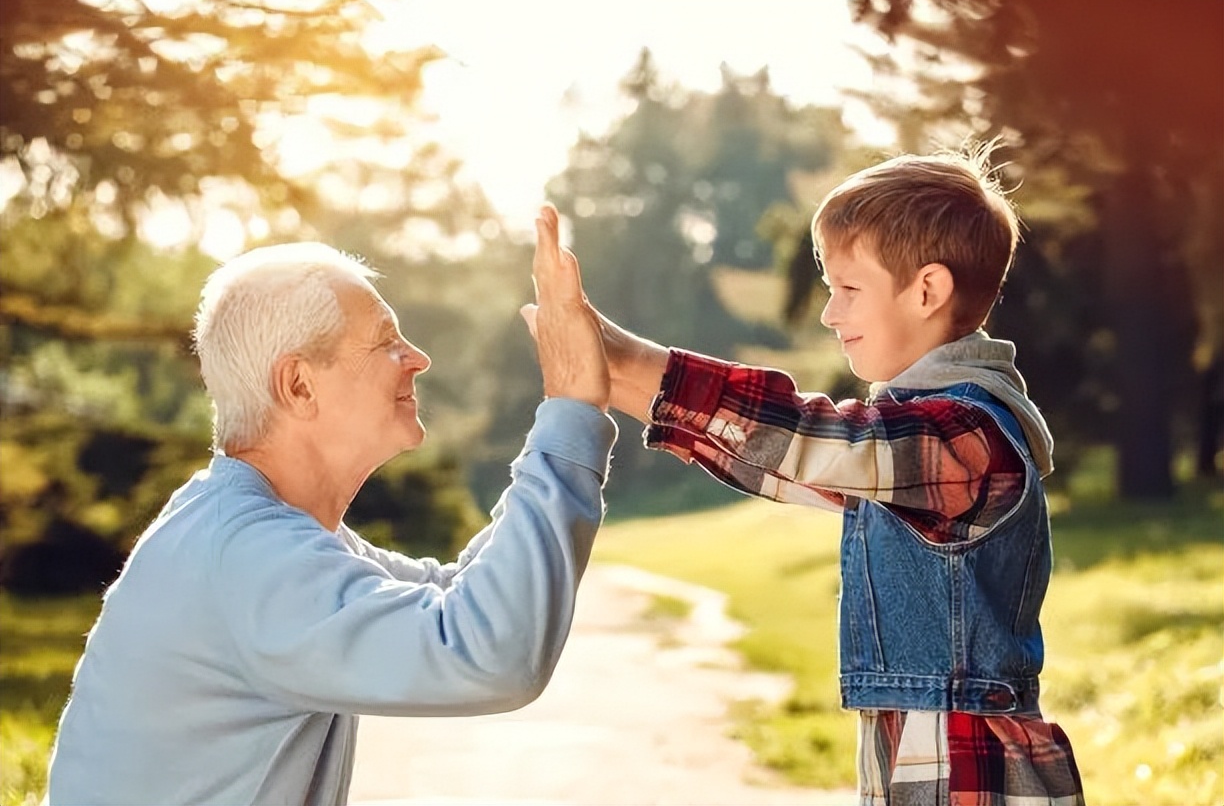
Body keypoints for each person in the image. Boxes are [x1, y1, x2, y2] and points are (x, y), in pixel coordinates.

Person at [525, 148, 1086, 805]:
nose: (829, 313)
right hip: (922, 751)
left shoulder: (964, 438)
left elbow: (806, 438)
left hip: (970, 768)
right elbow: (777, 462)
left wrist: (620, 352)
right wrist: (600, 354)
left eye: (848, 289)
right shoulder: (918, 446)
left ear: (927, 290)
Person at [45, 205, 616, 805]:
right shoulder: (248, 557)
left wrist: (586, 389)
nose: (417, 358)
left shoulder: (255, 530)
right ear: (298, 385)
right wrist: (571, 408)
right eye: (386, 343)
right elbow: (491, 651)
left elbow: (459, 594)